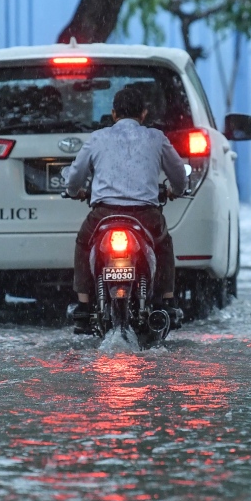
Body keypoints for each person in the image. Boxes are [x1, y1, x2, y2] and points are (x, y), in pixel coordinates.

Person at [64, 85, 187, 327]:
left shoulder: (98, 138)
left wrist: (74, 192)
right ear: (143, 113)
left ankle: (84, 305)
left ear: (113, 114)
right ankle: (167, 301)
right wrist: (176, 191)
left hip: (103, 215)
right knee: (163, 244)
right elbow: (180, 176)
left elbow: (75, 177)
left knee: (83, 242)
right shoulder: (156, 138)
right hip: (146, 216)